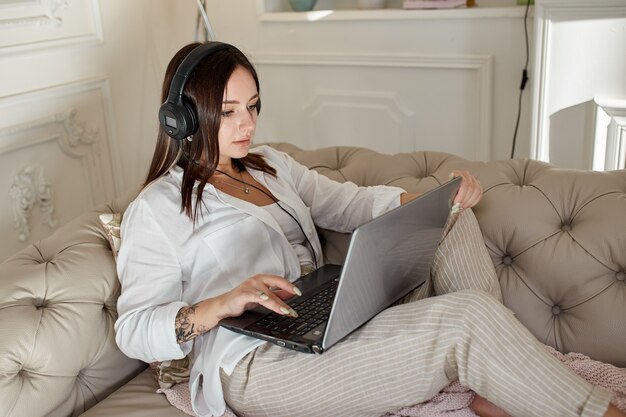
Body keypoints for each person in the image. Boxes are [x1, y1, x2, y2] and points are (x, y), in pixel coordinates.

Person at [114, 41, 624, 417]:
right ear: (182, 118)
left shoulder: (271, 163)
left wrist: (438, 199)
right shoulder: (155, 210)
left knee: (451, 218)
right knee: (466, 319)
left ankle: (496, 382)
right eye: (227, 112)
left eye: (253, 106)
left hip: (328, 315)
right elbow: (133, 330)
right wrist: (220, 304)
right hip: (257, 364)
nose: (247, 124)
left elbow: (349, 204)